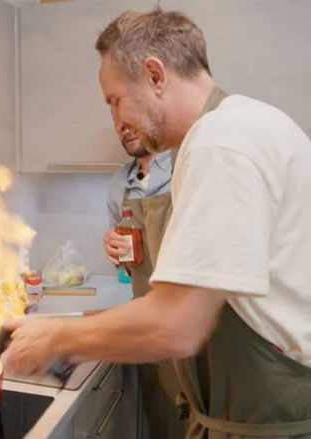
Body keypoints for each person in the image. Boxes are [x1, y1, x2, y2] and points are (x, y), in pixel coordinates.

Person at [3, 8, 311, 438]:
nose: (116, 121)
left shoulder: (220, 144)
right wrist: (59, 326)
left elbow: (177, 324)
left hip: (278, 427)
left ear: (155, 75)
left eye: (115, 100)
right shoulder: (238, 127)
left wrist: (55, 339)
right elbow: (203, 305)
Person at [105, 134, 185, 438]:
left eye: (126, 115)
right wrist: (114, 249)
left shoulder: (186, 167)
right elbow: (128, 263)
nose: (122, 127)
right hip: (151, 327)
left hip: (195, 324)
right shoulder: (119, 183)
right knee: (165, 425)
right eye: (115, 119)